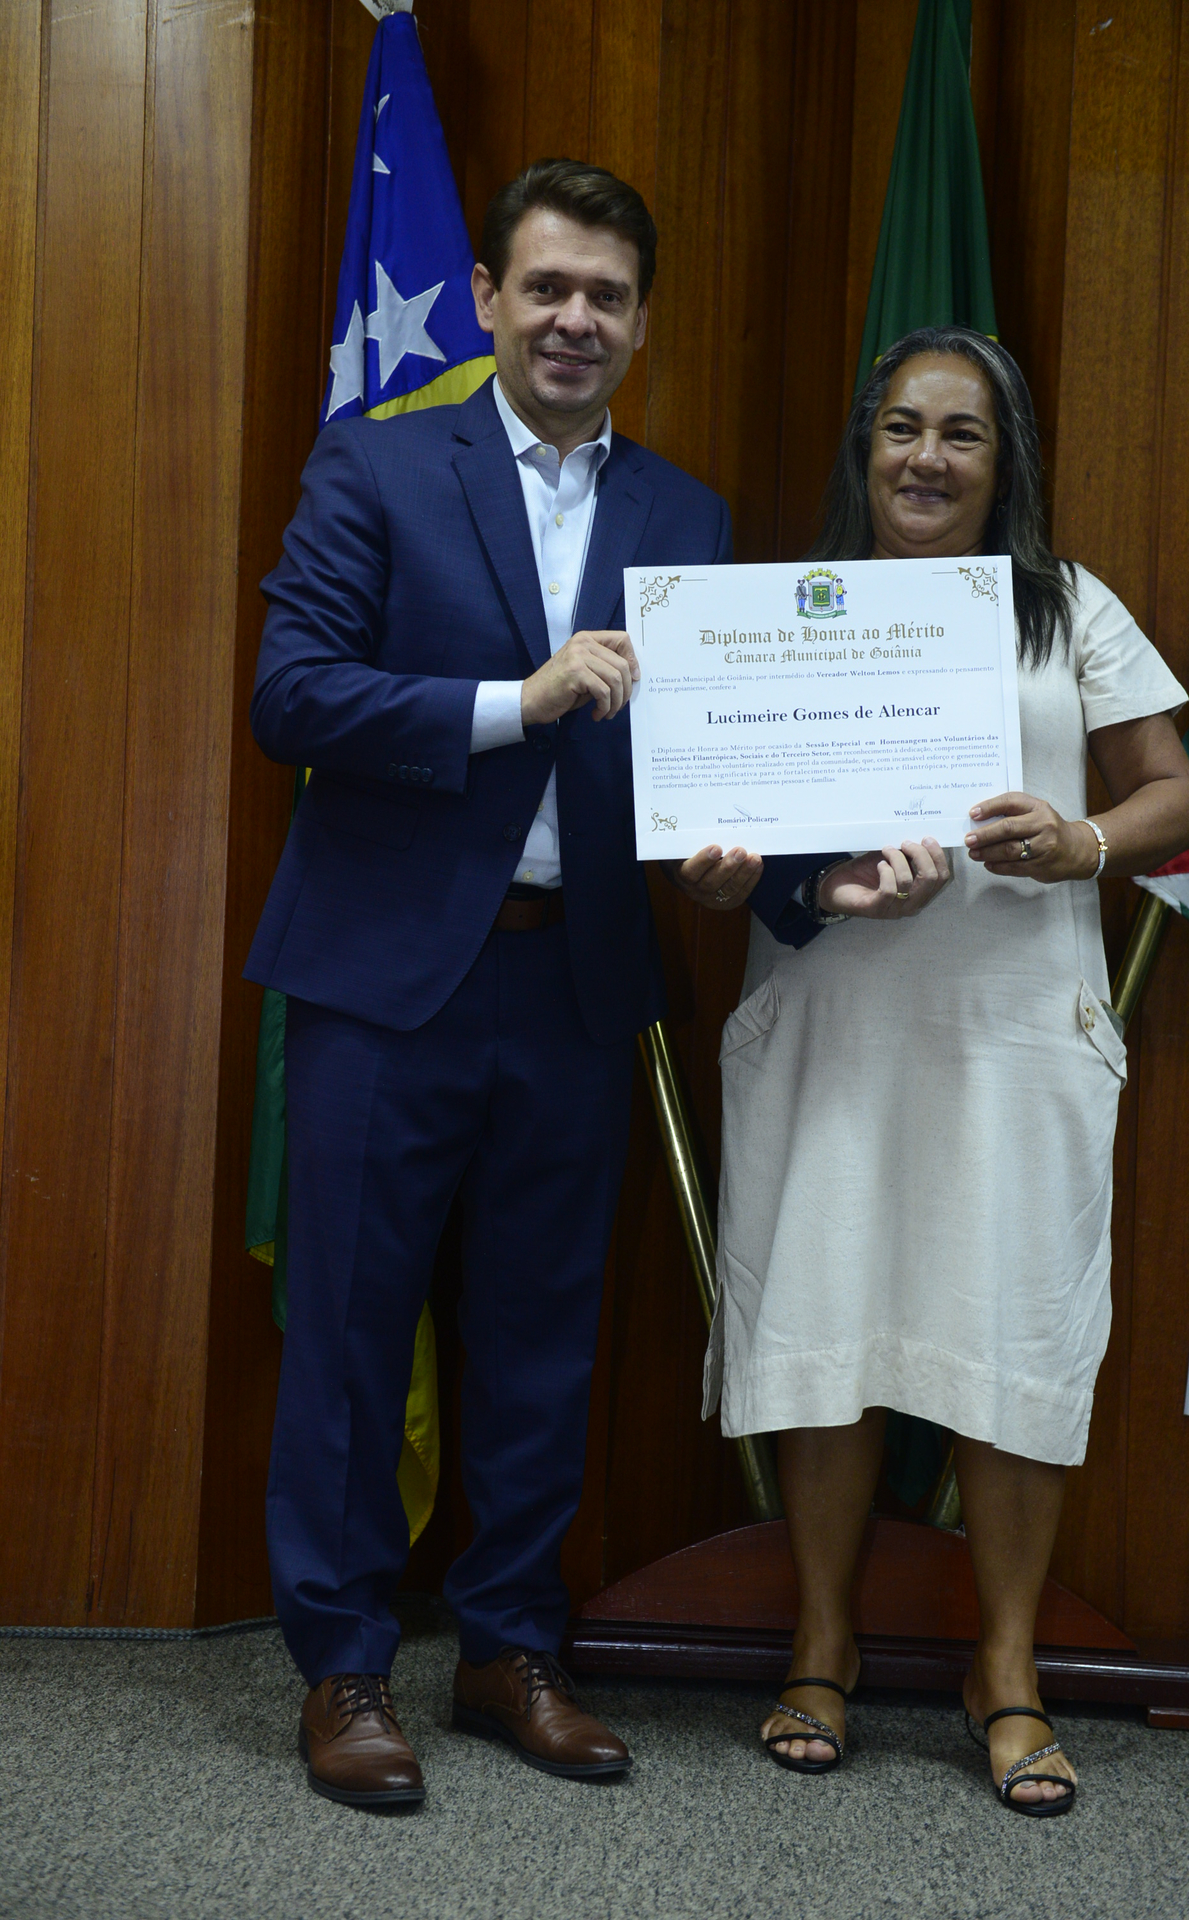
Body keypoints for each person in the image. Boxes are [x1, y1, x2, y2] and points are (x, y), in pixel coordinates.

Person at [246, 158, 750, 1808]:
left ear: (641, 323)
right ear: (484, 299)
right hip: (383, 985)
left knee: (541, 1340)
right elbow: (294, 694)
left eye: (606, 295)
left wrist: (740, 862)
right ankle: (341, 1666)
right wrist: (510, 704)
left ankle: (508, 1651)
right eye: (546, 287)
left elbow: (705, 759)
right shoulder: (378, 464)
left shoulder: (686, 519)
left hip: (574, 988)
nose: (573, 319)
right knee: (347, 1332)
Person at [706, 326, 1189, 1815]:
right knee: (828, 1317)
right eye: (902, 428)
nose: (926, 457)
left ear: (1005, 463)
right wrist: (734, 878)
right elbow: (722, 832)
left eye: (962, 434)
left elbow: (1175, 795)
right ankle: (822, 1642)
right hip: (832, 1020)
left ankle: (1006, 1665)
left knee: (1007, 1336)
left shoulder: (1066, 607)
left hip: (1011, 1028)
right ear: (865, 448)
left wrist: (1082, 840)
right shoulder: (783, 614)